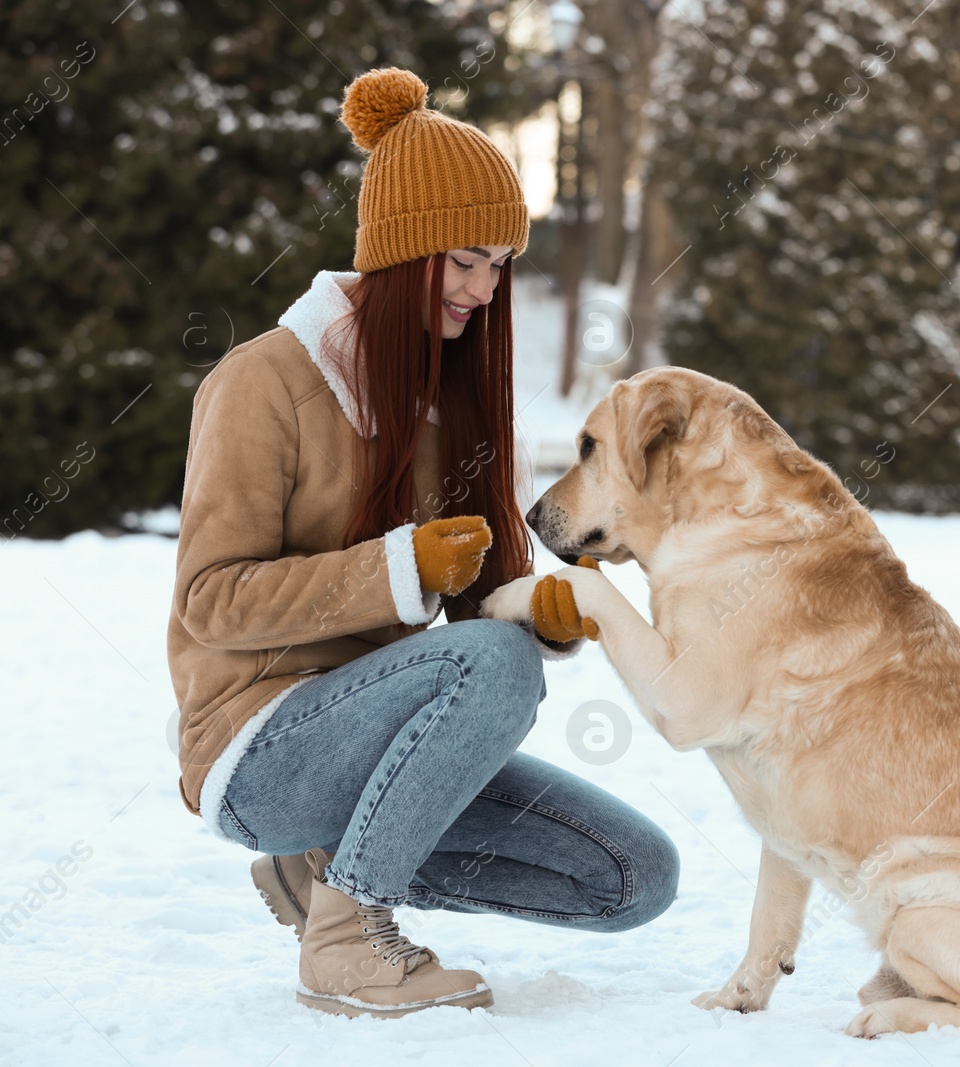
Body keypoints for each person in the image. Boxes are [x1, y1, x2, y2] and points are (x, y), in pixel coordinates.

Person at [165, 67, 678, 1019]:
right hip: (255, 748)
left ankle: (327, 868)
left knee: (636, 875)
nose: (485, 291)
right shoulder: (262, 382)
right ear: (406, 255)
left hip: (381, 748)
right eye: (466, 262)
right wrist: (397, 570)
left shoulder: (444, 402)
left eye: (500, 268)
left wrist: (537, 610)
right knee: (490, 662)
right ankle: (349, 935)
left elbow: (476, 617)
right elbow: (212, 600)